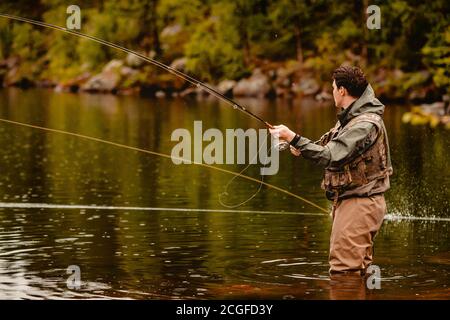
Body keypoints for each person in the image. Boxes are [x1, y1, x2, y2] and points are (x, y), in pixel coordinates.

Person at [269, 65, 393, 274]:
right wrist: (299, 145)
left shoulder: (363, 124)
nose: (332, 92)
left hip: (360, 204)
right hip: (354, 202)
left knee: (343, 273)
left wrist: (293, 138)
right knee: (357, 272)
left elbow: (330, 156)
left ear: (342, 90)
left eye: (333, 87)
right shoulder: (351, 119)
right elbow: (328, 146)